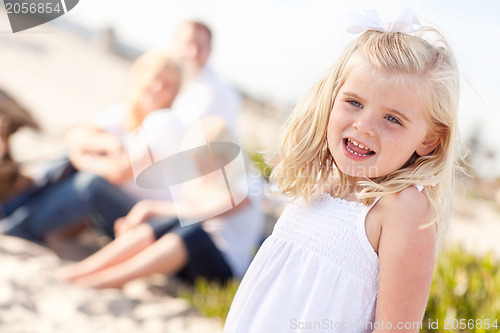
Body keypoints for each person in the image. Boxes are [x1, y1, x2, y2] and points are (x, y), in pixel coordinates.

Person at [224, 10, 460, 332]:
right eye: (354, 102)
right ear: (331, 99)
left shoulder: (402, 207)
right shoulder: (319, 184)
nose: (363, 125)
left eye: (392, 119)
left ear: (429, 140)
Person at [58, 116, 264, 288]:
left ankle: (103, 280)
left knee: (191, 229)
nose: (199, 166)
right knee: (171, 224)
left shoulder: (247, 182)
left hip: (222, 271)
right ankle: (83, 270)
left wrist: (148, 207)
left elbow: (203, 212)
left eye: (203, 158)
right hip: (184, 256)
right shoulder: (203, 178)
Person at [1, 51, 182, 242]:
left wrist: (84, 161)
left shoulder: (164, 123)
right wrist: (108, 143)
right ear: (140, 78)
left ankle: (18, 227)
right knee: (69, 158)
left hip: (147, 220)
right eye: (155, 79)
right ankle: (9, 209)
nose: (159, 88)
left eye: (168, 86)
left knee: (92, 182)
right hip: (115, 207)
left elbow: (120, 172)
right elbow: (75, 136)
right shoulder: (126, 113)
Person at [169, 21, 242, 137]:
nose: (193, 53)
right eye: (188, 44)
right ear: (175, 43)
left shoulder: (217, 92)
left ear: (209, 50)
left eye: (200, 47)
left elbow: (181, 135)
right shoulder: (165, 78)